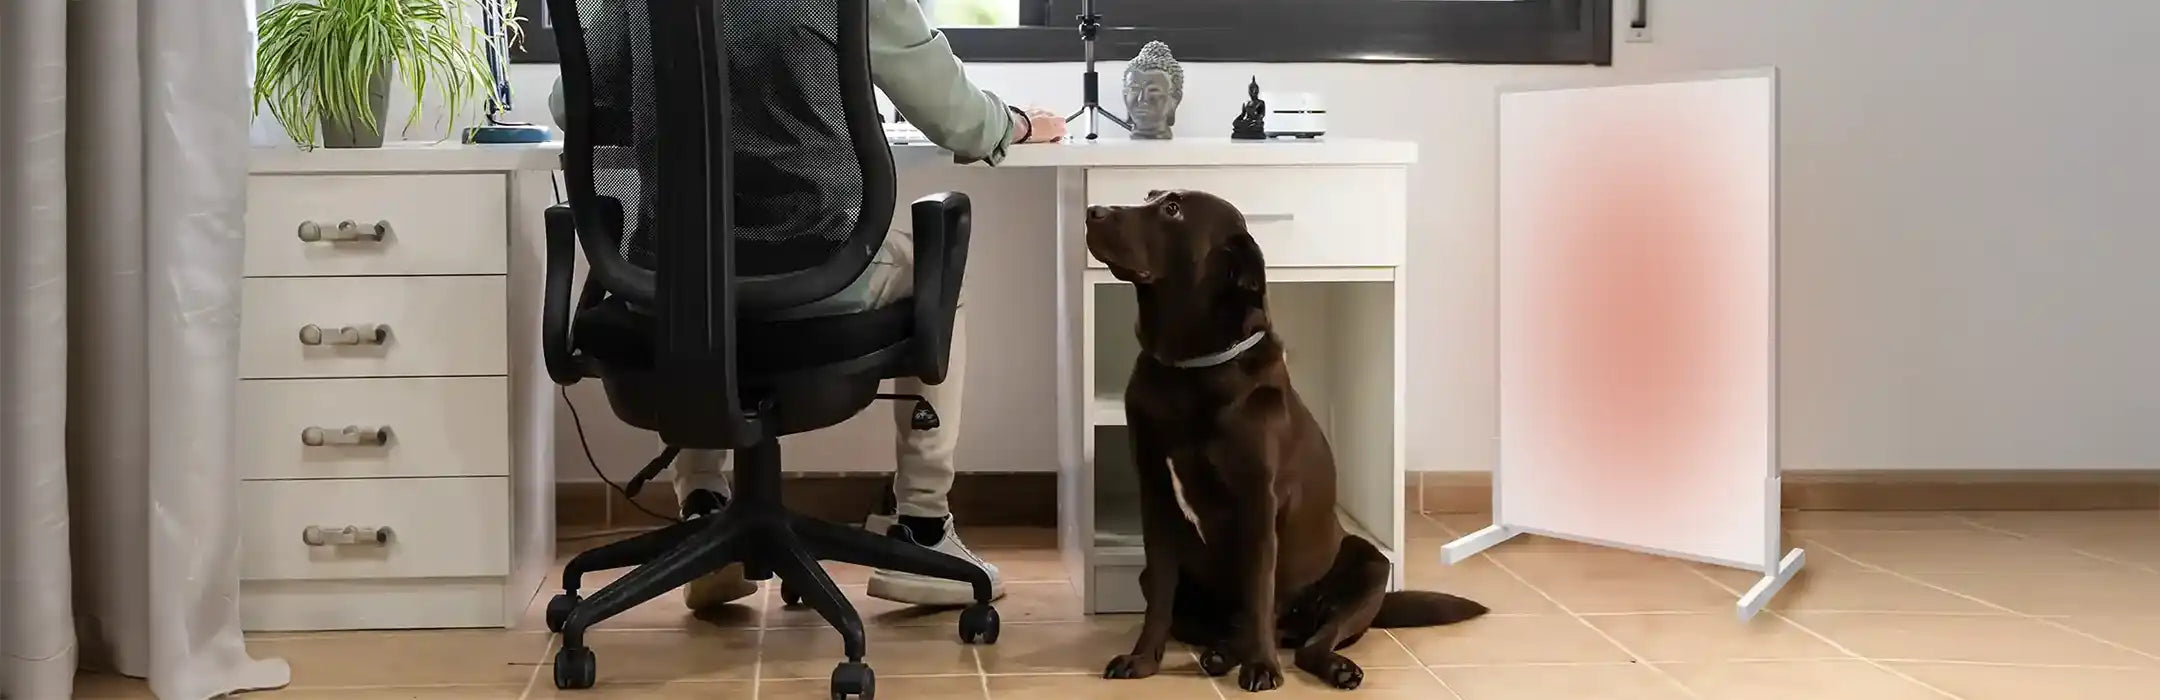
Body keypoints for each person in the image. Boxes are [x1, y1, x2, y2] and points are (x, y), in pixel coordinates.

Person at [549, 0, 1067, 611]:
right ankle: (924, 524)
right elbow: (960, 122)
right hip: (818, 277)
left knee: (701, 275)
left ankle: (704, 509)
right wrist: (1017, 123)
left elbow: (573, 105)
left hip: (664, 287)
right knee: (932, 269)